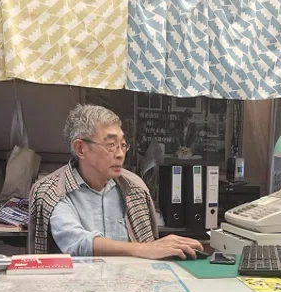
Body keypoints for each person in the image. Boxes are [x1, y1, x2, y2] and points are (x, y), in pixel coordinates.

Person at [28, 105, 204, 259]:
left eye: (123, 145)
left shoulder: (135, 189)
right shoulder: (52, 190)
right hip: (73, 289)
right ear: (81, 148)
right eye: (111, 145)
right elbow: (77, 243)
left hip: (128, 288)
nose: (120, 154)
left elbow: (151, 250)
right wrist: (144, 249)